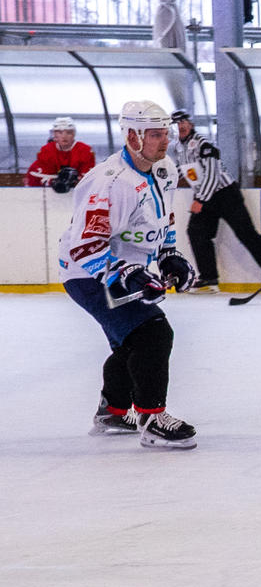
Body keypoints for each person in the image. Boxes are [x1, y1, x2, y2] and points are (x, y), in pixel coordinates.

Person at [55, 100, 198, 448]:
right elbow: (86, 247)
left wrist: (168, 255)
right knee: (152, 333)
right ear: (132, 137)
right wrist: (129, 274)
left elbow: (164, 218)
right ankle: (151, 419)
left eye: (165, 133)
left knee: (131, 343)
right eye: (155, 135)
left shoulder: (164, 169)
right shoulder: (109, 182)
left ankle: (115, 412)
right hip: (87, 273)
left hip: (118, 268)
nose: (164, 141)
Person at [167, 109, 261, 293]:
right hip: (206, 197)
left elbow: (212, 175)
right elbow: (182, 170)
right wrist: (162, 181)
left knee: (245, 233)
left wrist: (200, 199)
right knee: (196, 232)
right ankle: (209, 278)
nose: (181, 126)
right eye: (177, 123)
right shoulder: (179, 148)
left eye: (184, 122)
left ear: (191, 124)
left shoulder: (203, 144)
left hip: (225, 194)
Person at [27, 117, 97, 191]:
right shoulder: (46, 150)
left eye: (68, 133)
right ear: (55, 135)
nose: (64, 136)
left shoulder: (85, 150)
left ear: (74, 134)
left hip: (78, 191)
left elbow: (88, 178)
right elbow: (41, 176)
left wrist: (74, 182)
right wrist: (53, 182)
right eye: (60, 133)